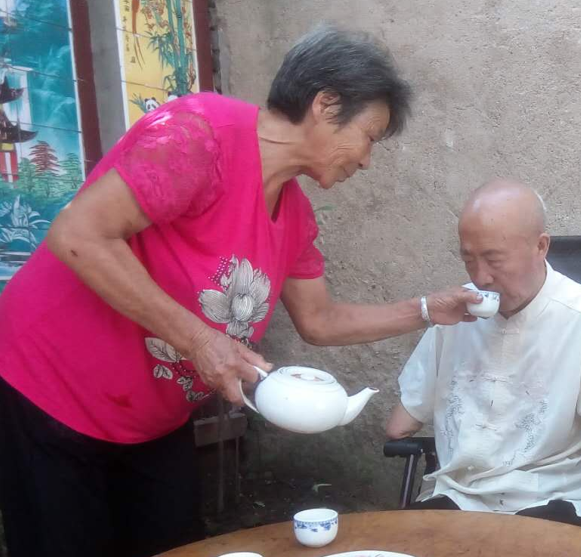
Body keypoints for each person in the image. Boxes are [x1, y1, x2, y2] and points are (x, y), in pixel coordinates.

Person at [0, 25, 480, 557]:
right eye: (369, 136)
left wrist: (426, 310)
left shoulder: (294, 215)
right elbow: (79, 235)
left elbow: (319, 320)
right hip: (52, 390)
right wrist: (200, 340)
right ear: (325, 104)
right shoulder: (199, 135)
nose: (366, 159)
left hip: (150, 419)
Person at [386, 179, 581, 531]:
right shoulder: (454, 313)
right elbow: (399, 424)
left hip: (554, 502)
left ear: (540, 246)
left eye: (494, 259)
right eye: (468, 259)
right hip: (457, 500)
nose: (481, 277)